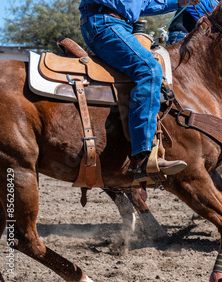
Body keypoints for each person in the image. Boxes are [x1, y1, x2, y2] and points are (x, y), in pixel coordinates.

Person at [79, 0, 200, 180]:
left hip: (115, 23)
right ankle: (144, 155)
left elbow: (141, 5)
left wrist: (179, 2)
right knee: (149, 69)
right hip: (104, 22)